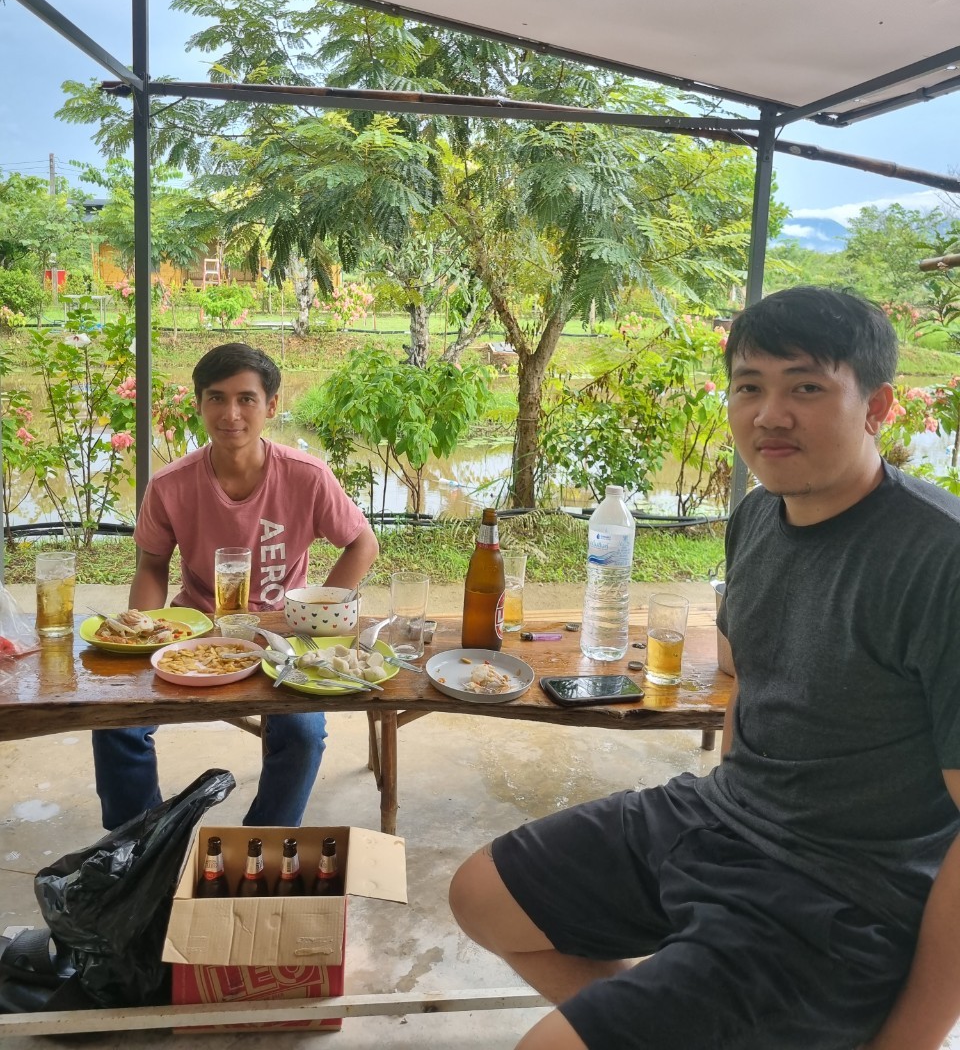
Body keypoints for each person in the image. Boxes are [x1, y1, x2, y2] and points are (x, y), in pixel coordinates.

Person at [449, 286, 960, 1050]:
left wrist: (908, 1042)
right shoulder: (757, 515)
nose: (769, 414)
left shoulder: (939, 559)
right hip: (724, 816)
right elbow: (749, 681)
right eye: (749, 387)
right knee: (481, 895)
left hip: (841, 890)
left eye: (806, 388)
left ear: (877, 407)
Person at [92, 342, 378, 829]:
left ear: (271, 405)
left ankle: (262, 840)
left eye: (246, 399)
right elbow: (152, 564)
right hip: (197, 630)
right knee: (115, 720)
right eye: (216, 398)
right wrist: (144, 632)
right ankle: (140, 841)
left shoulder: (307, 477)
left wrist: (314, 614)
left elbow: (362, 544)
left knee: (304, 733)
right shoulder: (170, 485)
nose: (231, 414)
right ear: (199, 404)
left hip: (280, 636)